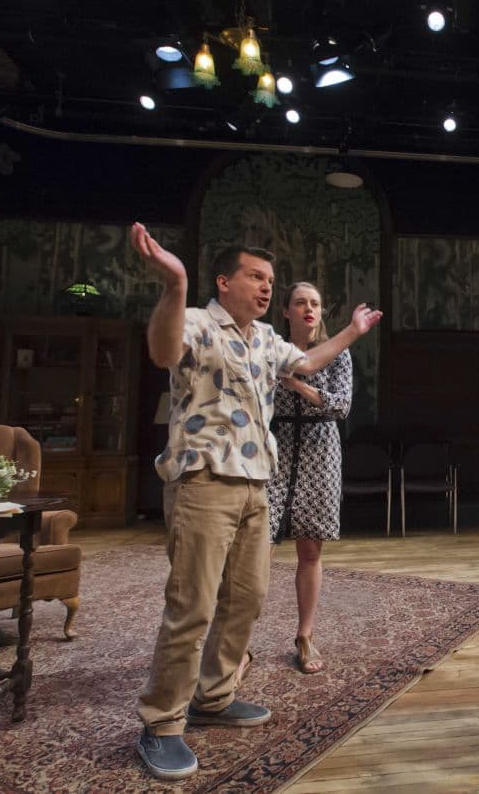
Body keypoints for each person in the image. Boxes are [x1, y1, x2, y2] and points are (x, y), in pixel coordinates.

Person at [129, 223, 381, 781]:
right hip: (203, 478)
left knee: (247, 597)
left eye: (271, 280)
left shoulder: (267, 339)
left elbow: (311, 365)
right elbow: (161, 350)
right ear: (223, 280)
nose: (267, 288)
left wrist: (352, 331)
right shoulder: (195, 320)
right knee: (193, 603)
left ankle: (214, 697)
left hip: (256, 482)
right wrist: (174, 286)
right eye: (255, 277)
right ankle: (162, 722)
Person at [266, 282, 352, 674]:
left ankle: (305, 635)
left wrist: (298, 384)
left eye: (315, 303)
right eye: (300, 302)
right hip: (276, 447)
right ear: (286, 311)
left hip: (321, 448)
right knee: (258, 550)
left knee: (310, 549)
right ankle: (238, 644)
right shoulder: (272, 348)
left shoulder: (338, 353)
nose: (309, 309)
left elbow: (341, 406)